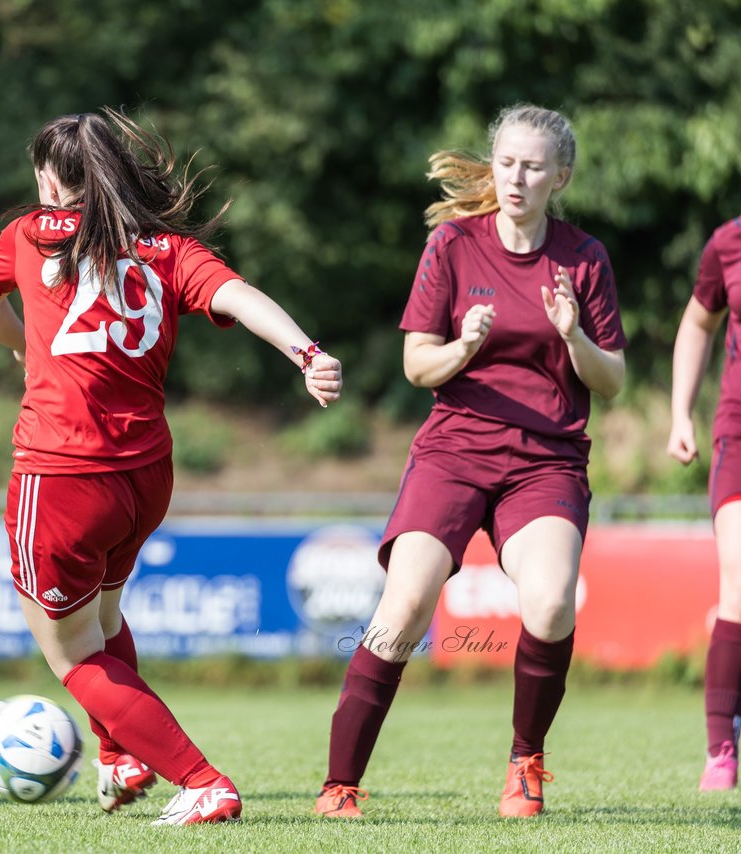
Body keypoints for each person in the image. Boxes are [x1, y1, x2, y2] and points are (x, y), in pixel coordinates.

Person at [0, 109, 342, 825]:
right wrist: (308, 354)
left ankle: (201, 782)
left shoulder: (26, 238)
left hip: (63, 475)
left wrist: (19, 345)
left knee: (72, 654)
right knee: (103, 622)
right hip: (143, 481)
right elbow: (242, 297)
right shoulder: (168, 251)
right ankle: (121, 756)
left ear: (48, 178)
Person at [316, 104, 626, 820]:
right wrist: (465, 347)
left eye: (534, 166)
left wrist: (574, 336)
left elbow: (610, 381)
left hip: (546, 462)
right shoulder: (452, 246)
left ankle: (525, 761)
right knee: (403, 607)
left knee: (550, 601)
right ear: (495, 166)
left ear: (561, 176)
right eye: (507, 162)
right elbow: (417, 366)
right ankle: (340, 786)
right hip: (454, 451)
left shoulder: (585, 259)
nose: (516, 178)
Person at [667, 217, 741, 791]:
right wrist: (680, 413)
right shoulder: (728, 241)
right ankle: (721, 749)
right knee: (739, 585)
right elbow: (697, 322)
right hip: (737, 437)